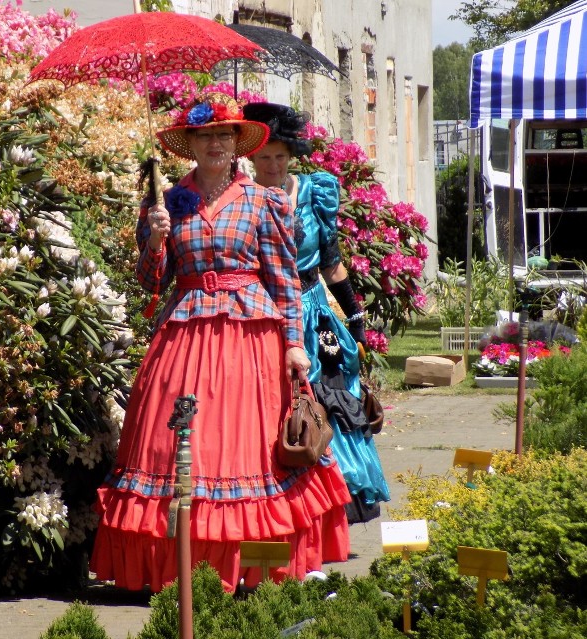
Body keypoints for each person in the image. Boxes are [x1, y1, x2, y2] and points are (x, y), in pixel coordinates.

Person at [90, 93, 351, 593]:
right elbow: (151, 282)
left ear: (237, 144)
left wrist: (294, 343)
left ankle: (257, 567)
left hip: (250, 342)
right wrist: (154, 239)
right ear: (189, 143)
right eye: (205, 135)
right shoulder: (164, 203)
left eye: (225, 135)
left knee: (246, 453)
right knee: (184, 449)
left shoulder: (265, 201)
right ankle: (180, 570)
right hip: (185, 339)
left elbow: (284, 281)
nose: (215, 144)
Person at [243, 102, 390, 524]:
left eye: (280, 157)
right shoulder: (243, 198)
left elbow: (331, 262)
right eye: (264, 157)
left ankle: (336, 505)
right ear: (252, 158)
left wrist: (356, 318)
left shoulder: (314, 192)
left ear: (292, 156)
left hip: (312, 314)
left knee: (327, 405)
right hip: (262, 314)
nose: (272, 165)